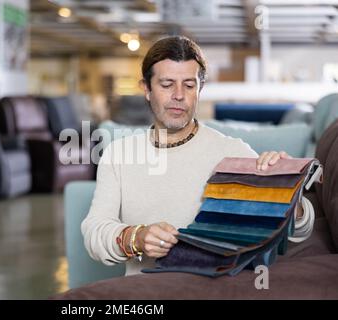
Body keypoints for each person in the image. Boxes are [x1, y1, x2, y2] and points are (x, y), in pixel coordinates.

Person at [82, 36, 315, 276]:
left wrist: (287, 190)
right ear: (147, 90)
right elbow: (94, 232)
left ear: (199, 90)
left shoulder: (232, 152)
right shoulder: (118, 154)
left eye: (189, 85)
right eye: (166, 84)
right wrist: (136, 237)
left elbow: (301, 229)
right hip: (147, 293)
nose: (179, 95)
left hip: (214, 290)